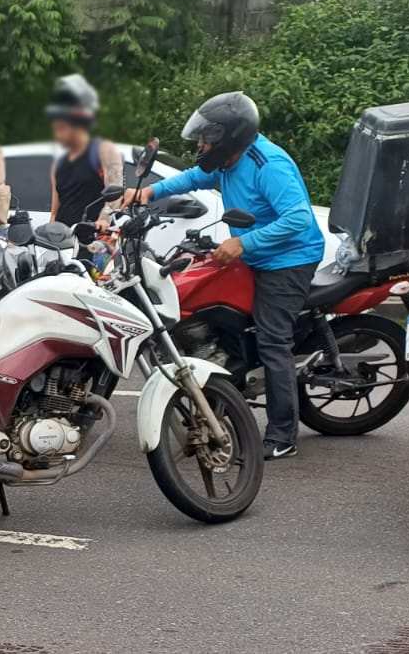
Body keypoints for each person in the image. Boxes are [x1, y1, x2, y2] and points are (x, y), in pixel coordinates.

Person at [124, 92, 324, 461]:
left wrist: (243, 243)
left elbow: (298, 219)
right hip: (256, 253)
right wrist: (150, 191)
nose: (201, 145)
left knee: (273, 341)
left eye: (207, 138)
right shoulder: (228, 160)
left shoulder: (268, 164)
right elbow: (195, 177)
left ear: (230, 137)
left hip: (287, 260)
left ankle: (283, 435)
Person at [45, 75, 123, 227]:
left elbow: (114, 195)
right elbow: (55, 211)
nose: (58, 134)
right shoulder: (58, 163)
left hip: (92, 238)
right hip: (64, 243)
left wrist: (103, 221)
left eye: (62, 128)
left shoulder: (103, 151)